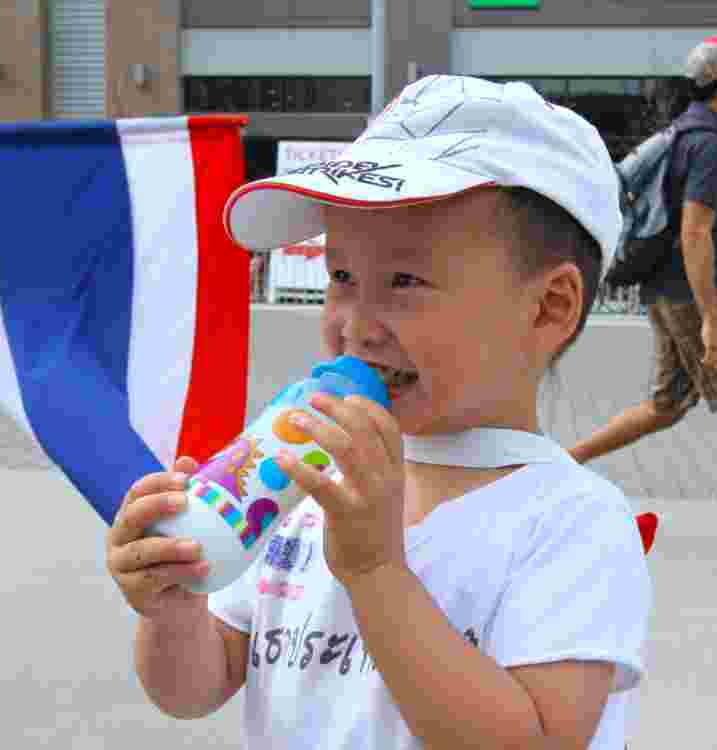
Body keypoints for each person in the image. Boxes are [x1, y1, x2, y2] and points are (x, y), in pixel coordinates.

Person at [106, 75, 651, 749]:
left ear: (548, 307)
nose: (355, 326)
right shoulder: (303, 481)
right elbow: (197, 685)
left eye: (404, 282)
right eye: (340, 277)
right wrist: (173, 609)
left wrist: (376, 572)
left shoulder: (571, 523)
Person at [569, 37, 717, 549]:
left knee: (667, 404)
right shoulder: (711, 144)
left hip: (667, 287)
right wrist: (713, 317)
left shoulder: (683, 135)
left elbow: (706, 233)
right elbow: (695, 232)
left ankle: (560, 462)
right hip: (688, 292)